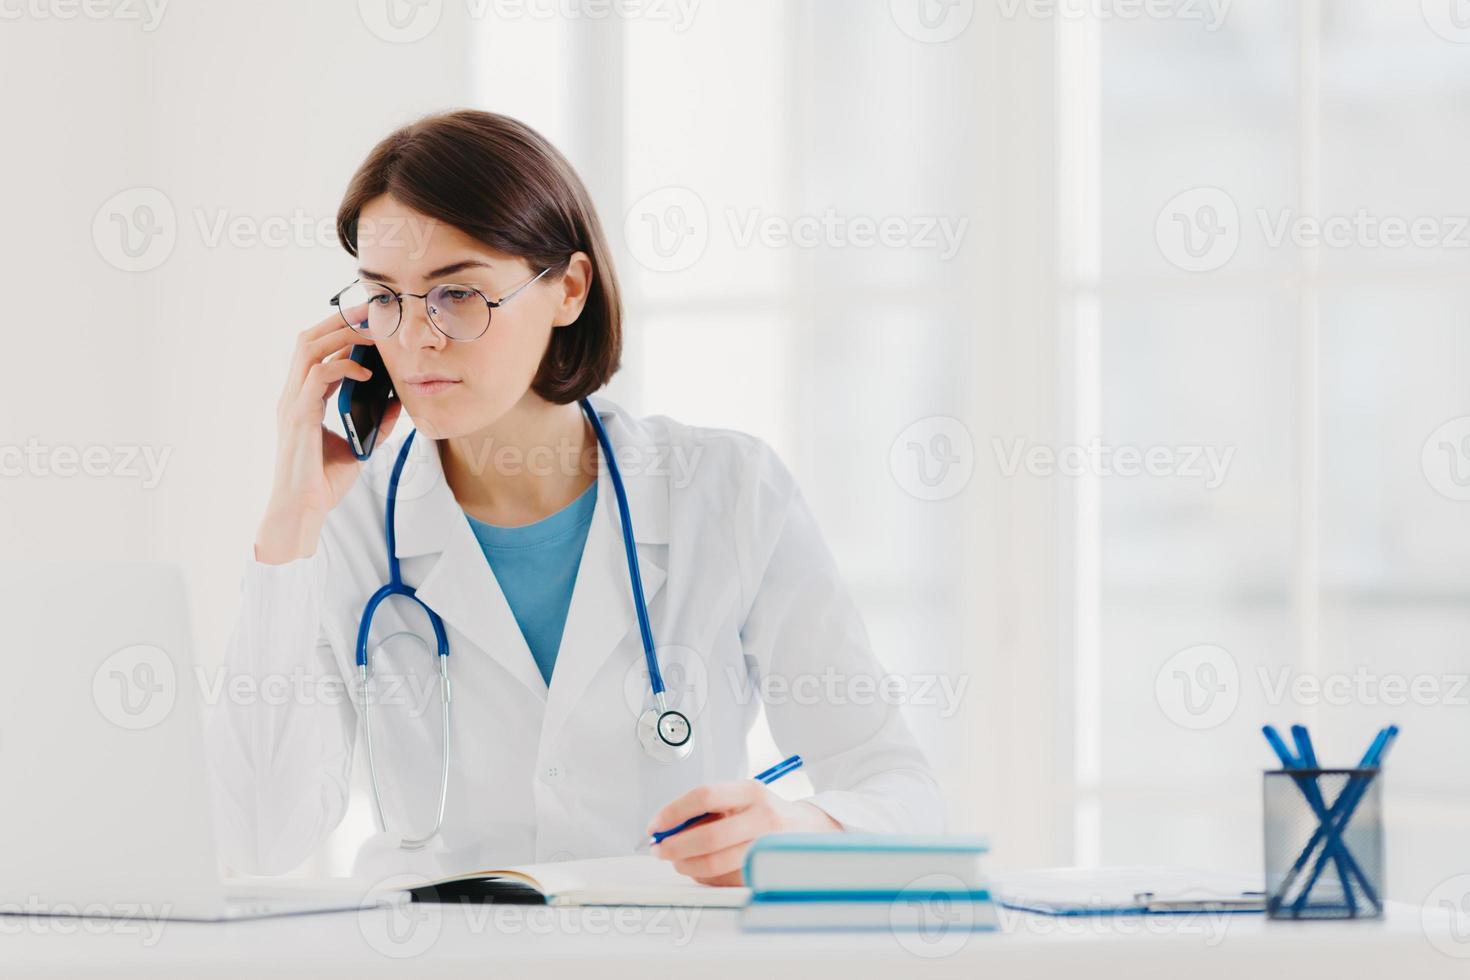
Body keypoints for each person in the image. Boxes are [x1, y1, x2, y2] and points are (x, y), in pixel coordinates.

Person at [206, 109, 944, 886]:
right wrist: (289, 526)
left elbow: (901, 791)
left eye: (456, 294)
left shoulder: (727, 492)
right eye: (384, 297)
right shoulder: (346, 527)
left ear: (569, 289)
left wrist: (792, 828)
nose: (415, 337)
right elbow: (254, 838)